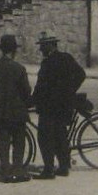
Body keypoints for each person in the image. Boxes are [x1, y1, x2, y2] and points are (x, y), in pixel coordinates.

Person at [32, 32, 86, 179]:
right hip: (64, 105)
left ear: (50, 45)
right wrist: (69, 91)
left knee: (45, 137)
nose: (41, 49)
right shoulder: (66, 58)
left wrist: (31, 101)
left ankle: (48, 170)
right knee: (61, 135)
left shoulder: (47, 63)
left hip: (49, 107)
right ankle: (63, 167)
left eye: (43, 46)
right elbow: (81, 74)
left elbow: (40, 87)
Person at [0, 34, 32, 182]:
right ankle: (18, 170)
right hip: (17, 111)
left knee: (3, 142)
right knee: (18, 142)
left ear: (2, 50)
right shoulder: (19, 68)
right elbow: (26, 91)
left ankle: (6, 172)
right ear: (14, 51)